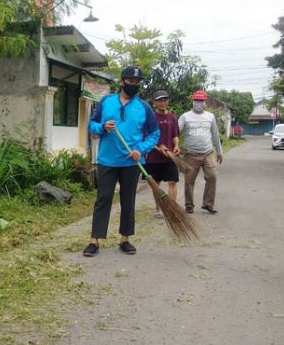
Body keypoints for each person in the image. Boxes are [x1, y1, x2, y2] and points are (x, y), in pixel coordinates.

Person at [84, 66, 160, 257]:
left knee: (128, 200)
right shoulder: (106, 102)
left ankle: (125, 239)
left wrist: (140, 149)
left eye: (136, 82)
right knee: (103, 199)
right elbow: (92, 125)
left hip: (131, 162)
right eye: (129, 81)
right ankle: (95, 240)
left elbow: (154, 133)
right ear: (121, 81)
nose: (133, 84)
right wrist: (102, 126)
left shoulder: (144, 107)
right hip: (107, 161)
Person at [178, 90, 223, 214]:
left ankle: (208, 204)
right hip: (191, 154)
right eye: (196, 100)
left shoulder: (210, 117)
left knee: (212, 176)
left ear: (205, 102)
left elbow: (215, 135)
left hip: (208, 152)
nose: (198, 103)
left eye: (201, 100)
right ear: (193, 101)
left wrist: (219, 152)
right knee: (189, 181)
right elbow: (176, 132)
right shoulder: (185, 116)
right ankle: (189, 205)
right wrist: (175, 146)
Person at [144, 90, 180, 218]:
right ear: (154, 102)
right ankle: (158, 209)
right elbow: (147, 138)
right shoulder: (150, 118)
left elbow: (175, 135)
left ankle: (172, 208)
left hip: (170, 157)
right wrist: (158, 148)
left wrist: (176, 146)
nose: (163, 102)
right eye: (160, 100)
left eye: (165, 100)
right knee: (156, 184)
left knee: (173, 182)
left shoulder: (172, 117)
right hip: (154, 157)